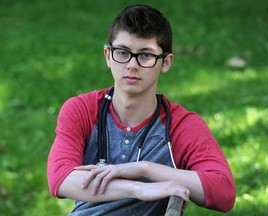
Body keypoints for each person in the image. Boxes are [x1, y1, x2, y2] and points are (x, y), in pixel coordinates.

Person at [47, 4, 236, 215]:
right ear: (108, 56)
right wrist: (138, 188)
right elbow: (61, 178)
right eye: (122, 52)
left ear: (165, 63)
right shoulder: (82, 109)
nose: (132, 65)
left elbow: (224, 192)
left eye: (146, 55)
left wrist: (143, 169)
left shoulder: (181, 125)